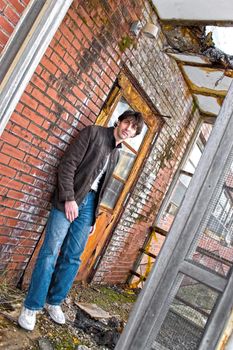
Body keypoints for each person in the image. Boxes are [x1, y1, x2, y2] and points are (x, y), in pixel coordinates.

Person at [18, 110, 144, 331]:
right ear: (120, 121)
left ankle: (53, 301)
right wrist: (68, 198)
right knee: (50, 252)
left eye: (134, 128)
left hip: (88, 207)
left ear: (134, 134)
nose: (128, 129)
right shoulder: (93, 133)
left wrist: (93, 216)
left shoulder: (116, 154)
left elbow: (101, 187)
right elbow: (67, 165)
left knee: (73, 257)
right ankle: (31, 306)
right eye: (127, 123)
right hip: (69, 199)